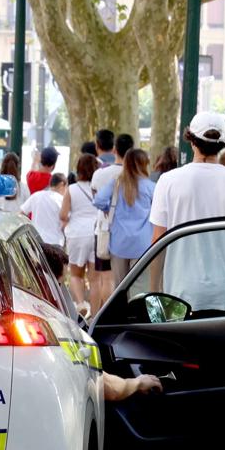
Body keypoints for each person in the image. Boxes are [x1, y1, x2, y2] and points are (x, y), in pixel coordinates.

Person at [149, 112, 225, 312]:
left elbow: (158, 241)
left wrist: (153, 293)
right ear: (223, 143)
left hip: (179, 295)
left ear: (191, 141)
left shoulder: (168, 181)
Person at [93, 148, 155, 289]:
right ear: (144, 164)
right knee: (140, 288)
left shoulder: (116, 184)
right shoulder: (151, 187)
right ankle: (136, 311)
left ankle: (122, 310)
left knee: (120, 286)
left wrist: (109, 210)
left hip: (119, 242)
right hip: (143, 243)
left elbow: (98, 200)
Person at [89, 132, 133, 313]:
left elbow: (96, 200)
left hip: (105, 230)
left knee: (106, 277)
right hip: (131, 231)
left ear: (115, 149)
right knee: (128, 278)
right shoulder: (135, 175)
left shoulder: (100, 174)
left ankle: (110, 314)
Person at [60, 154, 100, 315]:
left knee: (76, 275)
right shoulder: (99, 188)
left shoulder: (72, 189)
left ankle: (81, 303)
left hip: (76, 233)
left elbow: (63, 215)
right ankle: (96, 313)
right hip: (96, 233)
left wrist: (71, 219)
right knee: (95, 278)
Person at [21, 172, 66, 245]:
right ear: (61, 184)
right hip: (55, 242)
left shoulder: (36, 195)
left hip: (36, 242)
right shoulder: (61, 200)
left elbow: (21, 213)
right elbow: (65, 223)